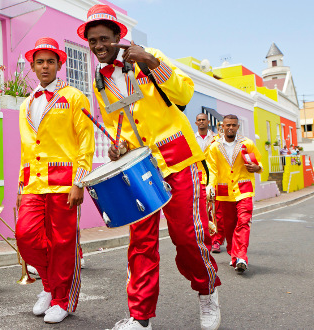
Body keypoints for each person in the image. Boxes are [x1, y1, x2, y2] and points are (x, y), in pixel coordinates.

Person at [78, 5, 221, 329]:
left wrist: (151, 62)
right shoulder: (100, 83)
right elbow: (121, 127)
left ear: (118, 37)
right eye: (92, 41)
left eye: (103, 39)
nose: (98, 46)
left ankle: (207, 291)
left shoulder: (148, 57)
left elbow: (184, 92)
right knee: (140, 243)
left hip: (179, 159)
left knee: (186, 237)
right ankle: (140, 317)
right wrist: (120, 146)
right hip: (140, 170)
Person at [15, 37, 95, 324]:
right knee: (25, 236)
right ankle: (49, 287)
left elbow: (86, 143)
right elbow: (28, 148)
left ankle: (63, 299)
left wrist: (80, 181)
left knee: (63, 243)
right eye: (40, 62)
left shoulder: (74, 97)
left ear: (59, 65)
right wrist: (20, 186)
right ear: (32, 67)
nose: (45, 66)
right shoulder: (26, 104)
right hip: (34, 183)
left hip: (64, 183)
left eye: (50, 61)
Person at [206, 114, 262, 274]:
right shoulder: (214, 147)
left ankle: (242, 257)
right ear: (222, 126)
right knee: (229, 227)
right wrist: (210, 186)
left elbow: (258, 162)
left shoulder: (247, 143)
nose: (231, 128)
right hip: (224, 192)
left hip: (244, 189)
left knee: (244, 222)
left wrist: (257, 168)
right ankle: (234, 254)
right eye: (228, 125)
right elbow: (212, 170)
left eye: (234, 125)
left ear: (238, 127)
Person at [194, 113, 223, 253]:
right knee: (201, 211)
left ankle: (216, 240)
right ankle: (205, 240)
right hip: (197, 178)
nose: (201, 122)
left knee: (214, 208)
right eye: (199, 120)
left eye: (203, 120)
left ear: (208, 121)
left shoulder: (216, 138)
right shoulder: (191, 138)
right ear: (196, 123)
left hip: (212, 177)